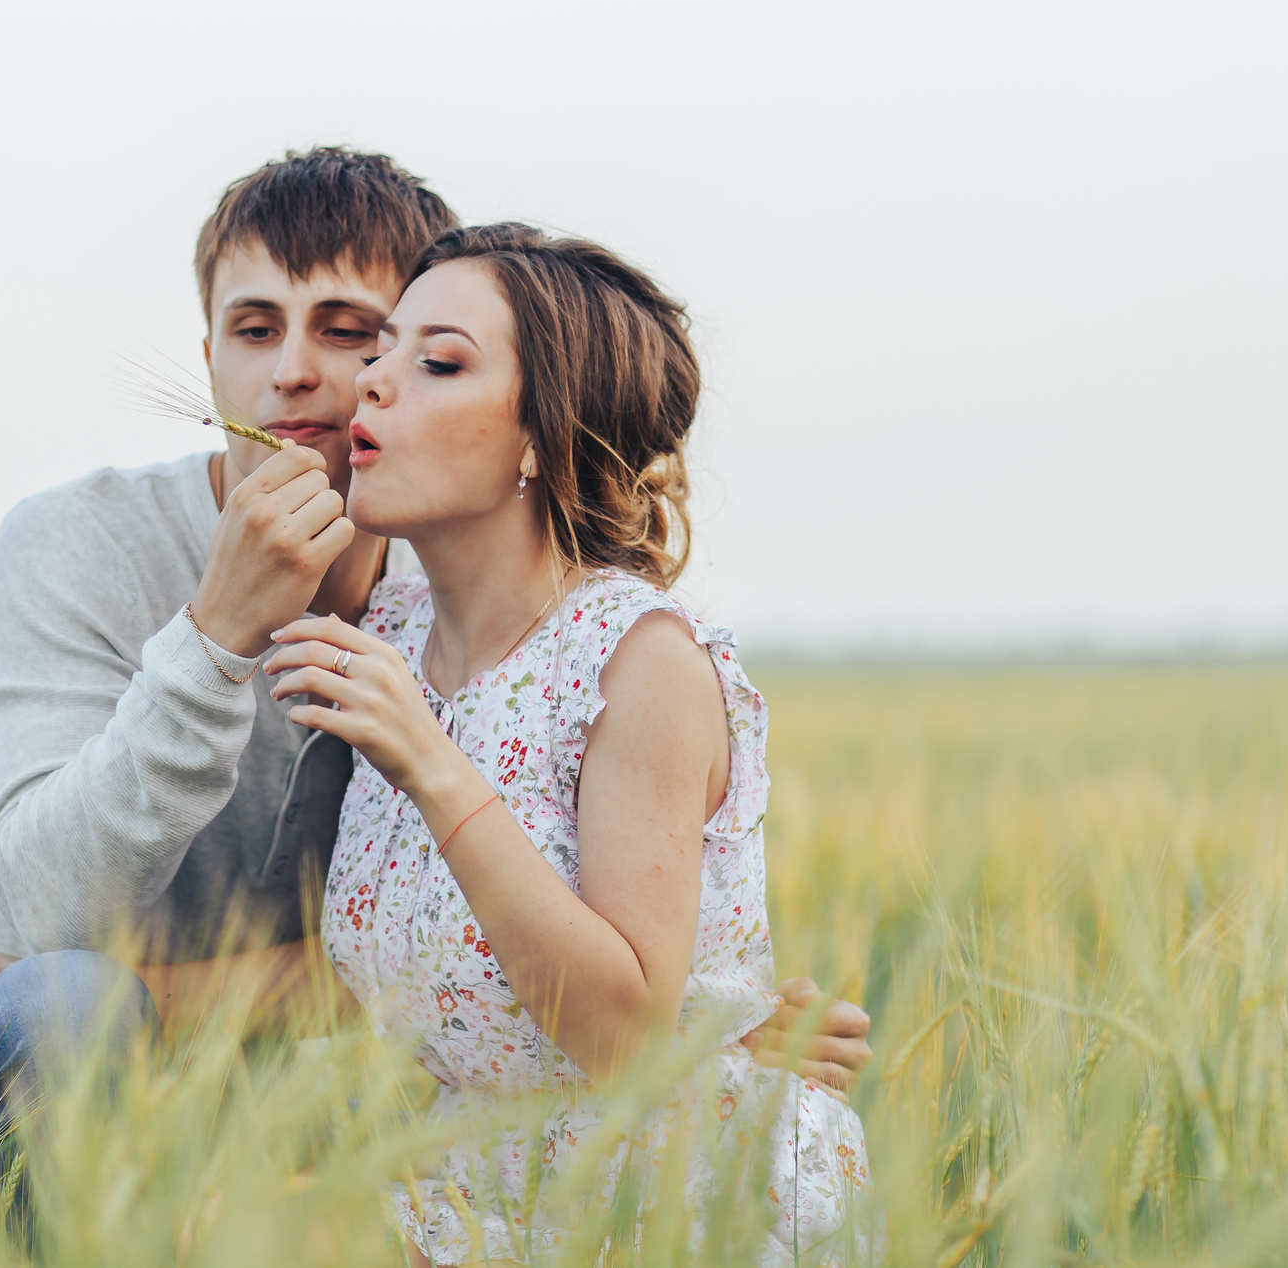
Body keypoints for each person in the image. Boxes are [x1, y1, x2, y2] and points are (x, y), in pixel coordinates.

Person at [0, 152, 872, 1238]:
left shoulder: (490, 627)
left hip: (369, 1153)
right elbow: (89, 936)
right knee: (63, 1007)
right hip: (65, 1108)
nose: (304, 375)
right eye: (254, 331)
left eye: (360, 334)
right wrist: (216, 636)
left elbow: (515, 959)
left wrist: (706, 1023)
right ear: (207, 361)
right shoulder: (91, 550)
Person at [264, 224, 875, 1264]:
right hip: (457, 1194)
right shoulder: (387, 635)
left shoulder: (637, 661)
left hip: (661, 1201)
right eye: (383, 349)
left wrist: (431, 763)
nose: (371, 383)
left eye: (438, 361)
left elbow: (626, 1041)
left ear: (540, 439)